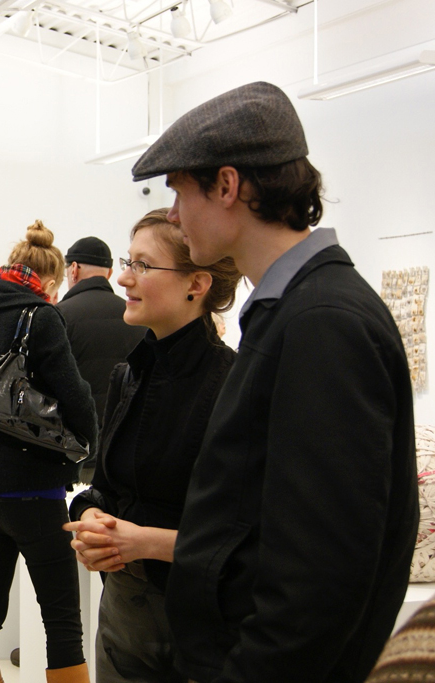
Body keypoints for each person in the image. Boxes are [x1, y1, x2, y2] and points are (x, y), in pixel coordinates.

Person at [131, 81, 417, 682]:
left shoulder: (322, 322)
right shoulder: (296, 310)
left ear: (228, 186)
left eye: (181, 192)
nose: (175, 216)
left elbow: (320, 577)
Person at [63, 209, 240, 682]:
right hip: (125, 611)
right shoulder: (130, 375)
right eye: (127, 261)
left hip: (202, 620)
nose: (123, 277)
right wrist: (91, 519)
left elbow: (248, 537)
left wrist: (144, 542)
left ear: (196, 284)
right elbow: (102, 489)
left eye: (142, 265)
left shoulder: (235, 386)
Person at [0, 220, 97, 683]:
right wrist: (77, 449)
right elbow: (77, 398)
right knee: (62, 623)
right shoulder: (41, 317)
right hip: (39, 495)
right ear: (49, 281)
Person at [58, 236, 146, 419]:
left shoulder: (59, 315)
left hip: (76, 435)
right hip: (123, 429)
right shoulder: (136, 315)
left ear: (73, 269)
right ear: (110, 273)